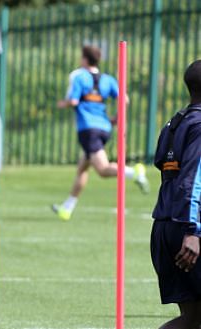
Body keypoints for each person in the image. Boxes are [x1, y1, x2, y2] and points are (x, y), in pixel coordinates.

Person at [106, 60, 201, 329]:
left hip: (163, 226)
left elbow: (165, 166)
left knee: (192, 319)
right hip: (187, 228)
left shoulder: (174, 123)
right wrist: (194, 230)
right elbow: (193, 178)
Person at [52, 45, 150, 221]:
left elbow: (74, 101)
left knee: (103, 170)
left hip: (88, 129)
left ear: (84, 59)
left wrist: (63, 103)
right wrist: (117, 119)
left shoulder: (79, 77)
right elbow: (124, 100)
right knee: (83, 167)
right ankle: (67, 208)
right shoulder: (108, 80)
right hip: (104, 128)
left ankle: (133, 172)